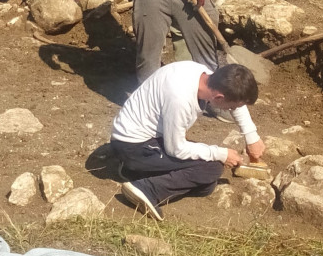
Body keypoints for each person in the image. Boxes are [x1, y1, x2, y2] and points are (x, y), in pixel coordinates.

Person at [110, 61, 265, 220]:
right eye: (231, 107)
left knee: (207, 185)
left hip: (151, 139)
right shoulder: (180, 98)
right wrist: (220, 153)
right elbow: (175, 149)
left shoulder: (205, 75)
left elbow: (236, 99)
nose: (231, 111)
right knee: (211, 168)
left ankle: (137, 173)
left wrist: (251, 136)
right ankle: (146, 189)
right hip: (133, 147)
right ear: (219, 97)